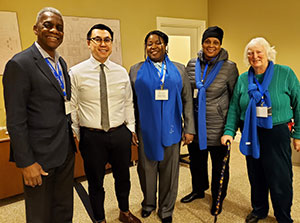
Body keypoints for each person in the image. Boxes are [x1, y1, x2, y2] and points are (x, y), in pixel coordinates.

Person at [3, 7, 76, 223]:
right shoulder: (20, 64)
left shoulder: (60, 63)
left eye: (59, 28)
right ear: (36, 29)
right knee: (40, 215)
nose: (55, 30)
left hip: (64, 151)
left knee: (63, 210)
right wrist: (26, 163)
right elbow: (15, 121)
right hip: (39, 158)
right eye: (48, 25)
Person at [221, 37, 300, 223]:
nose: (254, 56)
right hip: (250, 131)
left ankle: (283, 215)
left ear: (268, 54)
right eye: (250, 53)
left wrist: (298, 134)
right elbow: (234, 108)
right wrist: (229, 131)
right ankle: (259, 210)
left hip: (276, 132)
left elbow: (299, 104)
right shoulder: (243, 79)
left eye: (259, 52)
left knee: (280, 176)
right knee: (256, 174)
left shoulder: (285, 73)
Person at [69, 24, 141, 223]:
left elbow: (128, 102)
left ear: (112, 43)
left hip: (120, 133)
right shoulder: (76, 72)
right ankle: (99, 219)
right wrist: (77, 133)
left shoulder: (121, 72)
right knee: (95, 182)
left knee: (123, 178)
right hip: (92, 136)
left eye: (107, 40)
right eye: (97, 39)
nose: (103, 44)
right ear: (88, 43)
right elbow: (72, 106)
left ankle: (124, 212)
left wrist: (131, 129)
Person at [129, 30, 195, 223]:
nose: (153, 47)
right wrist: (131, 128)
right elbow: (130, 102)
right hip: (145, 131)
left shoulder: (179, 69)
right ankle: (148, 204)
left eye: (158, 43)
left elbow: (187, 100)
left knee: (170, 172)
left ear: (166, 46)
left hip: (172, 129)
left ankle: (166, 209)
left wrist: (189, 128)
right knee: (146, 171)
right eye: (149, 43)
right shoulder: (135, 69)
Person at [180, 26, 239, 215]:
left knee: (219, 166)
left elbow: (235, 99)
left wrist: (230, 129)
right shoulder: (191, 64)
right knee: (197, 163)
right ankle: (198, 190)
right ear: (202, 43)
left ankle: (218, 198)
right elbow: (187, 95)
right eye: (207, 41)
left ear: (220, 45)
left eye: (215, 42)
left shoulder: (229, 67)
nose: (211, 45)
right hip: (196, 126)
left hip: (219, 127)